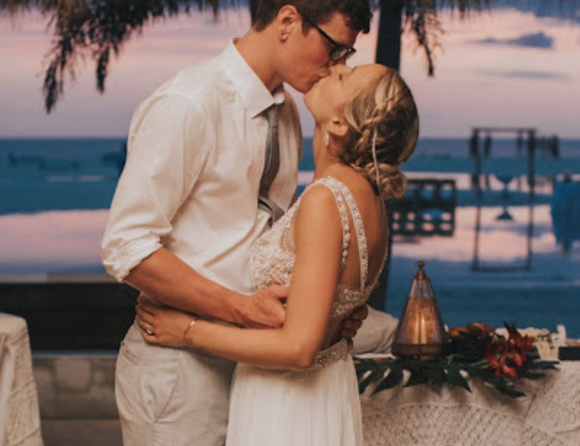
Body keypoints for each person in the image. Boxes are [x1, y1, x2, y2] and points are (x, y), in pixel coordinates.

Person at [101, 0, 372, 445]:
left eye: (346, 54)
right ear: (287, 21)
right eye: (333, 48)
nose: (337, 65)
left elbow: (276, 237)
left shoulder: (287, 111)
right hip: (179, 365)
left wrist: (329, 311)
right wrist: (240, 309)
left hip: (256, 362)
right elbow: (126, 246)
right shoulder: (188, 104)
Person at [136, 63, 420, 445]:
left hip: (286, 403)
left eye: (344, 77)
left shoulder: (325, 201)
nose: (336, 66)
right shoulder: (371, 199)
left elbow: (298, 348)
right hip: (323, 389)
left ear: (339, 124)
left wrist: (188, 332)